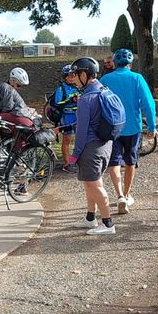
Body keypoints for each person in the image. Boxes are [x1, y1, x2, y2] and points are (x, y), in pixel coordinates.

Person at [99, 48, 157, 214]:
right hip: (133, 127)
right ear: (130, 63)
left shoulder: (105, 79)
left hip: (113, 127)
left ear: (115, 63)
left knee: (114, 162)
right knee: (131, 161)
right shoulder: (137, 78)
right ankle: (127, 193)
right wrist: (151, 127)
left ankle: (119, 196)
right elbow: (148, 103)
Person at [67, 57, 115, 235]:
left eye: (75, 74)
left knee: (95, 185)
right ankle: (90, 218)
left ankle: (108, 224)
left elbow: (81, 133)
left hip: (90, 148)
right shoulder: (103, 90)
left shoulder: (86, 98)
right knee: (91, 183)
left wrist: (74, 156)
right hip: (104, 144)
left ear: (84, 74)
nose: (73, 78)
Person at [51, 65, 80, 172]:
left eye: (73, 75)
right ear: (65, 77)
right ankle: (67, 163)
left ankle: (75, 160)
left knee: (79, 139)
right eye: (69, 76)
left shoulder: (78, 87)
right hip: (66, 116)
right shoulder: (61, 88)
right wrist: (70, 100)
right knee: (67, 140)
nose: (72, 78)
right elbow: (57, 103)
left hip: (78, 116)